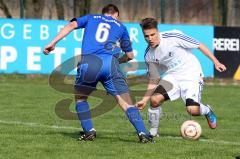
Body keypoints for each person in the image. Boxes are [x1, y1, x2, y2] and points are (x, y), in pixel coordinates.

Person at [43, 4, 153, 143]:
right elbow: (130, 55)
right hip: (110, 64)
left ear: (103, 13)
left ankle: (89, 131)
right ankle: (143, 133)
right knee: (126, 103)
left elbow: (71, 25)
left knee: (81, 98)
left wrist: (52, 43)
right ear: (116, 15)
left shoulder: (91, 18)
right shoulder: (121, 26)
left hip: (89, 63)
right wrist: (118, 62)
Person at [136, 18, 227, 137]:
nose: (150, 39)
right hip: (173, 76)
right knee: (154, 100)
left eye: (152, 34)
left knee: (192, 110)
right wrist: (144, 99)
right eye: (146, 36)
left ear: (157, 31)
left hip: (191, 74)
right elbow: (154, 78)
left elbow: (199, 45)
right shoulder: (149, 54)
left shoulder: (173, 37)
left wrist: (216, 62)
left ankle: (207, 110)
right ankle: (152, 133)